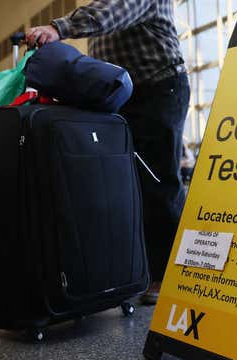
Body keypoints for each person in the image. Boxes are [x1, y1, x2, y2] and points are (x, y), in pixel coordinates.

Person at [26, 0, 190, 305]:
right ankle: (139, 268)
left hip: (159, 88)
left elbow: (113, 13)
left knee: (158, 182)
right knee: (126, 186)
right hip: (124, 95)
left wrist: (57, 29)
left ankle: (168, 273)